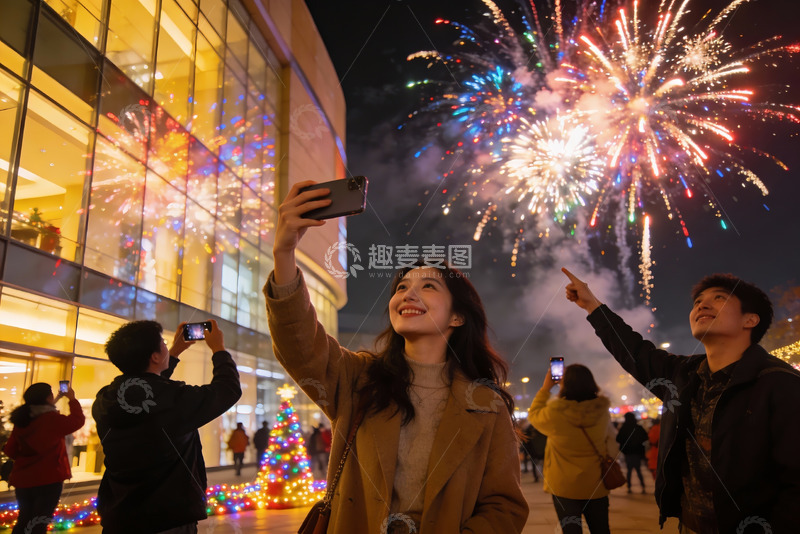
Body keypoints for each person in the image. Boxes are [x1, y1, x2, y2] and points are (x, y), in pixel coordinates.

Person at [262, 181, 528, 533]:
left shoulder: (485, 405)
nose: (408, 294)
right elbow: (300, 346)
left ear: (457, 317)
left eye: (428, 286)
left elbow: (504, 505)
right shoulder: (359, 378)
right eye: (402, 287)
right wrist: (284, 252)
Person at [562, 268, 800, 533]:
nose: (702, 304)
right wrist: (592, 306)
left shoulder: (780, 383)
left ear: (750, 320)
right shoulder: (684, 376)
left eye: (720, 298)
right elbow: (634, 351)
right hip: (689, 525)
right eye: (698, 301)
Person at [93, 319, 241, 534]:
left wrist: (174, 351)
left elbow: (149, 391)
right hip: (168, 519)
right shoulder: (174, 399)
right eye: (162, 342)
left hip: (119, 517)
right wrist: (218, 349)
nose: (165, 344)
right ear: (154, 356)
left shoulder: (105, 399)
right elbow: (228, 389)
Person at [528, 363, 617, 534]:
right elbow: (611, 440)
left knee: (571, 531)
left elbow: (534, 414)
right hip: (596, 483)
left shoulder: (555, 413)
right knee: (601, 529)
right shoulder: (602, 412)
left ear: (564, 384)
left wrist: (546, 388)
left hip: (564, 486)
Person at [3, 383, 84, 534]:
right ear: (48, 398)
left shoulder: (22, 421)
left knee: (24, 519)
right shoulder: (52, 420)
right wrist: (71, 399)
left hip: (23, 479)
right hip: (49, 479)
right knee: (39, 522)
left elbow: (11, 450)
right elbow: (77, 420)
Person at [616, 412, 648, 494]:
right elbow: (645, 437)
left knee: (629, 470)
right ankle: (643, 486)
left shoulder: (624, 428)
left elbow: (618, 439)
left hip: (628, 452)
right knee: (638, 470)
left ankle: (629, 487)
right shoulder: (638, 427)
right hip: (637, 451)